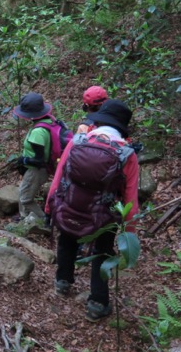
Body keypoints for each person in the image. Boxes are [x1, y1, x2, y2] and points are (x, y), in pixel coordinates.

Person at [45, 99, 139, 321]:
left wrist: (50, 205)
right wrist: (130, 231)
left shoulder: (78, 141)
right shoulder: (127, 154)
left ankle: (62, 282)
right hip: (103, 215)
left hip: (70, 205)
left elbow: (59, 176)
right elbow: (131, 198)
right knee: (102, 251)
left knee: (67, 241)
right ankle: (97, 303)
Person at [12, 92, 55, 219]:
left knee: (25, 198)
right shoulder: (49, 121)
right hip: (38, 169)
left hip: (37, 170)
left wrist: (23, 159)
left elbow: (39, 160)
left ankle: (44, 221)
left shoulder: (38, 132)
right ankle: (24, 217)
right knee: (22, 191)